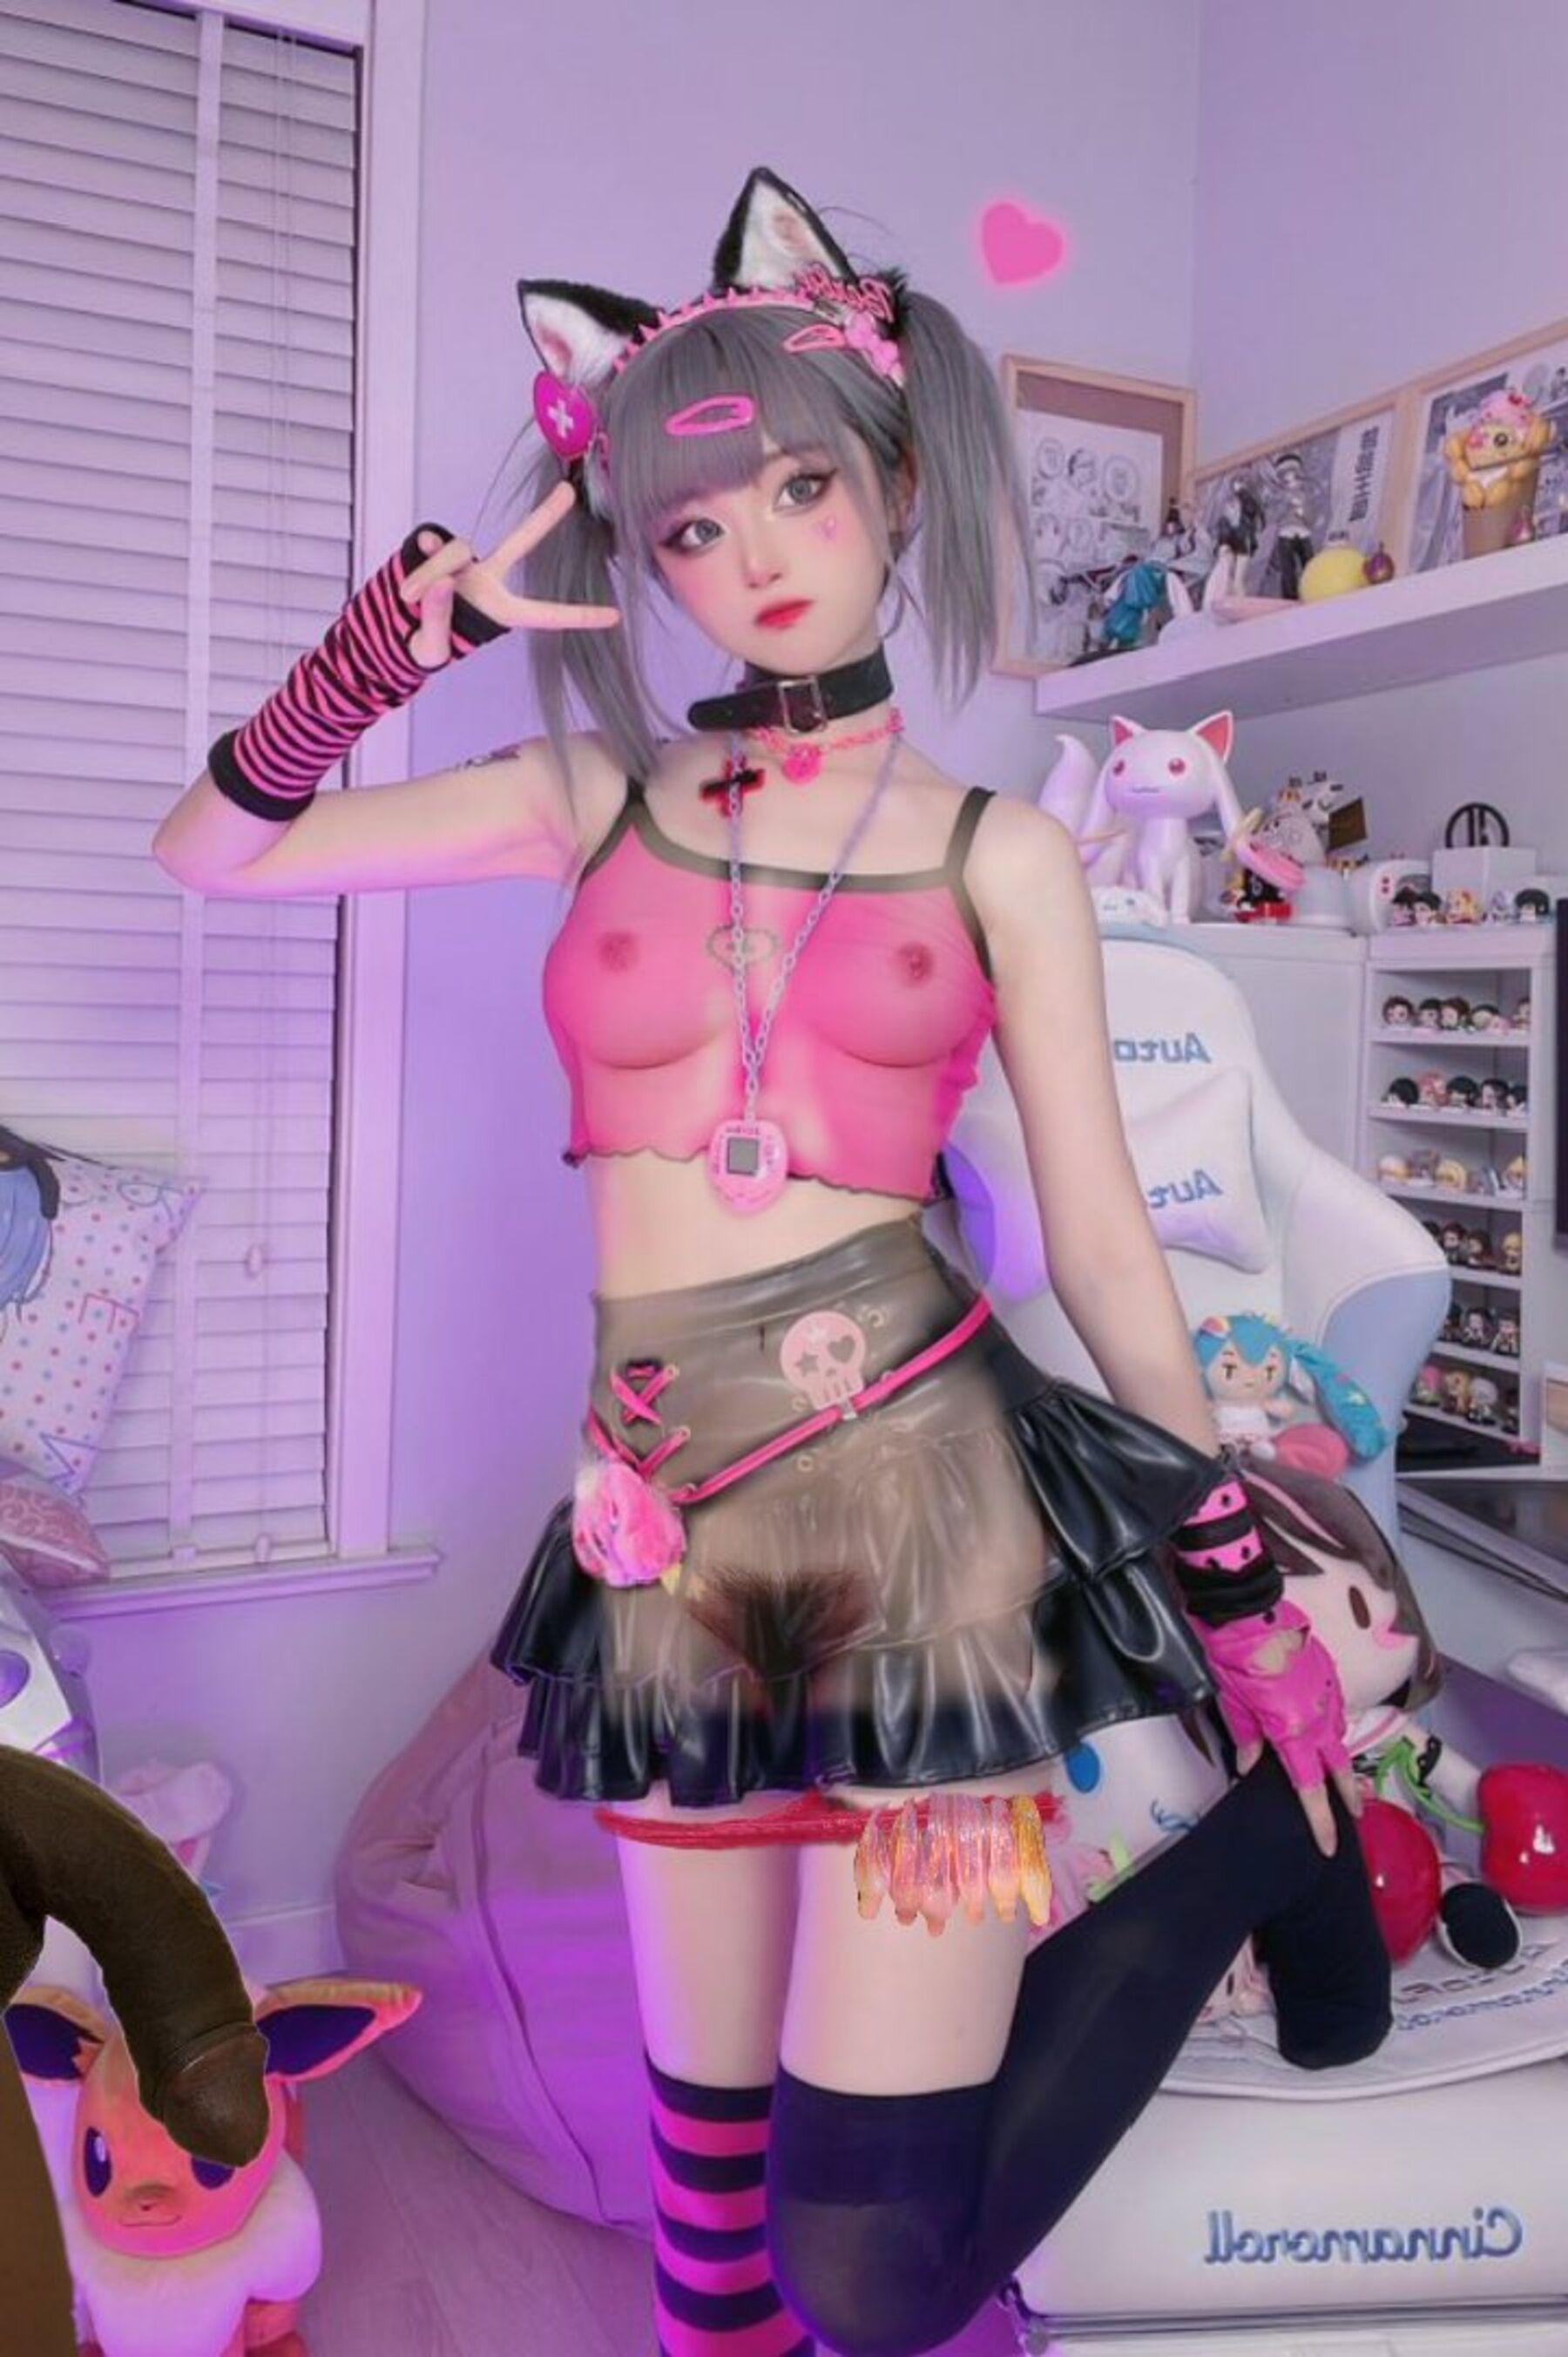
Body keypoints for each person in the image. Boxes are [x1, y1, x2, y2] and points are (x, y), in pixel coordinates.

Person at [154, 166, 1389, 2357]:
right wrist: (397, 641)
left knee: (869, 2269)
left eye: (801, 489)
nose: (754, 559)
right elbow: (216, 852)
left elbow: (1104, 1240)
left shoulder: (997, 853)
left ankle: (1262, 1857)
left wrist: (1231, 1571)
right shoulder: (591, 801)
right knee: (703, 2210)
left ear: (896, 484)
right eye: (691, 529)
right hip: (664, 1528)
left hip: (927, 1523)